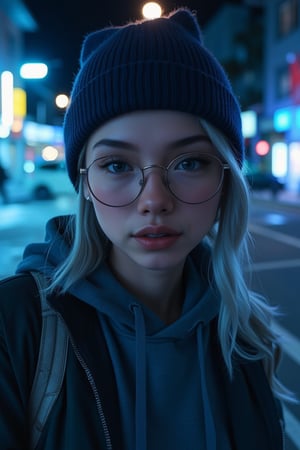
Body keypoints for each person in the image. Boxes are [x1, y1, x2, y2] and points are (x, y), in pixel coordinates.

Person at [0, 8, 294, 450]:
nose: (154, 199)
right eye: (116, 164)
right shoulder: (14, 328)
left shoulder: (248, 336)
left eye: (189, 162)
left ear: (226, 176)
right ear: (84, 183)